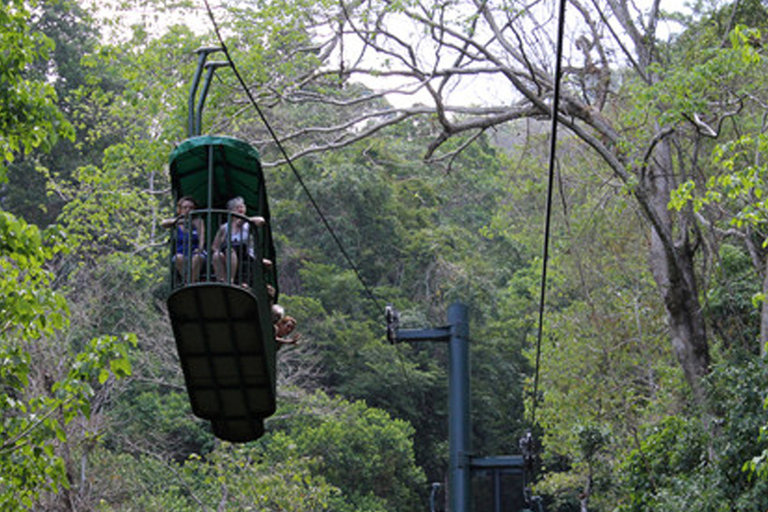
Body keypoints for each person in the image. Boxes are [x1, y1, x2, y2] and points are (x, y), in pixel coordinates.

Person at [212, 196, 268, 285]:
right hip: (228, 253)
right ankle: (221, 280)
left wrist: (246, 220)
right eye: (237, 207)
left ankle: (230, 280)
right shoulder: (225, 227)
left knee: (230, 250)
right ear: (231, 211)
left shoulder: (248, 224)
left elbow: (261, 220)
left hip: (245, 253)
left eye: (242, 206)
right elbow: (215, 246)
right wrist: (219, 253)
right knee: (217, 255)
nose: (240, 208)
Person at [161, 196, 205, 284]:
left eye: (191, 208)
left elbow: (202, 238)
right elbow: (164, 223)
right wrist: (178, 221)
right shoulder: (176, 222)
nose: (188, 210)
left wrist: (199, 249)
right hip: (182, 253)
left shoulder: (198, 222)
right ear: (180, 209)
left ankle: (191, 283)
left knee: (197, 257)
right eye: (185, 207)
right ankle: (188, 281)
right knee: (178, 258)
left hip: (195, 252)